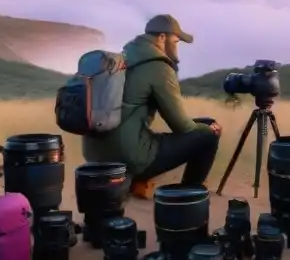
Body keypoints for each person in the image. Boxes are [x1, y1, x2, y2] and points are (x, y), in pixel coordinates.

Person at [81, 14, 222, 199]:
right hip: (128, 158)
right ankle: (188, 198)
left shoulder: (123, 57)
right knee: (207, 134)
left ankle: (136, 183)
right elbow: (181, 125)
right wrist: (209, 129)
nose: (176, 47)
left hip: (95, 156)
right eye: (176, 41)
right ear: (162, 37)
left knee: (190, 128)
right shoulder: (158, 67)